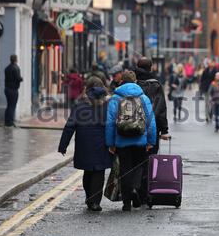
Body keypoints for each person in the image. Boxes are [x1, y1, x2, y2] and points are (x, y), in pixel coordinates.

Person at [58, 77, 112, 212]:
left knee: (88, 171)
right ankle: (95, 202)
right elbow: (113, 125)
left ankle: (89, 198)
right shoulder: (109, 104)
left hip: (84, 143)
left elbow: (70, 126)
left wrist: (63, 145)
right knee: (98, 172)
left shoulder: (80, 103)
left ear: (87, 88)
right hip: (102, 143)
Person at [106, 71, 157, 211]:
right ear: (135, 81)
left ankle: (126, 202)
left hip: (122, 140)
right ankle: (135, 189)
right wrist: (151, 141)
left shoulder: (115, 98)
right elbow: (150, 122)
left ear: (121, 81)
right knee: (138, 167)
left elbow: (110, 123)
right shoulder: (143, 97)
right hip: (140, 140)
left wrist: (110, 143)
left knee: (125, 169)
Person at [135, 57, 171, 204]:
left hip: (132, 128)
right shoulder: (155, 85)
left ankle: (133, 190)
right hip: (151, 128)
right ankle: (143, 194)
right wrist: (164, 130)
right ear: (151, 68)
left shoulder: (133, 83)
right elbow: (161, 108)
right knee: (149, 161)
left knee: (134, 161)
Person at [4, 55, 23, 127]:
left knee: (9, 105)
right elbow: (18, 78)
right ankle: (10, 122)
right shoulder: (16, 68)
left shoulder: (7, 68)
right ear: (16, 60)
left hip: (7, 89)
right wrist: (21, 79)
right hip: (13, 89)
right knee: (12, 106)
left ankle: (6, 121)